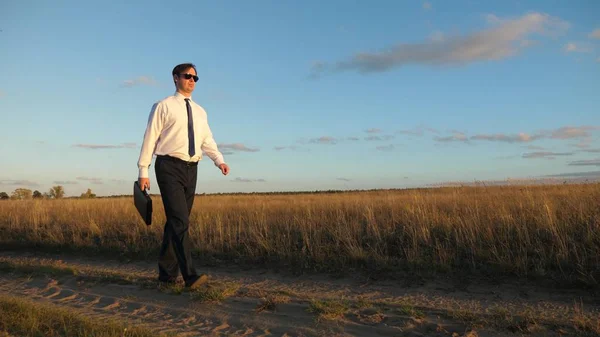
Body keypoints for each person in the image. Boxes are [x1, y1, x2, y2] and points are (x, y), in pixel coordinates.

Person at [136, 63, 230, 289]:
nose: (191, 81)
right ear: (175, 78)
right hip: (168, 166)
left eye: (195, 78)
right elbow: (150, 138)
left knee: (176, 222)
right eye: (187, 76)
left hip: (191, 168)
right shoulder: (163, 106)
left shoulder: (200, 111)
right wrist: (143, 170)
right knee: (180, 221)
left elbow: (206, 139)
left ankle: (166, 274)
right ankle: (190, 276)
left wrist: (219, 160)